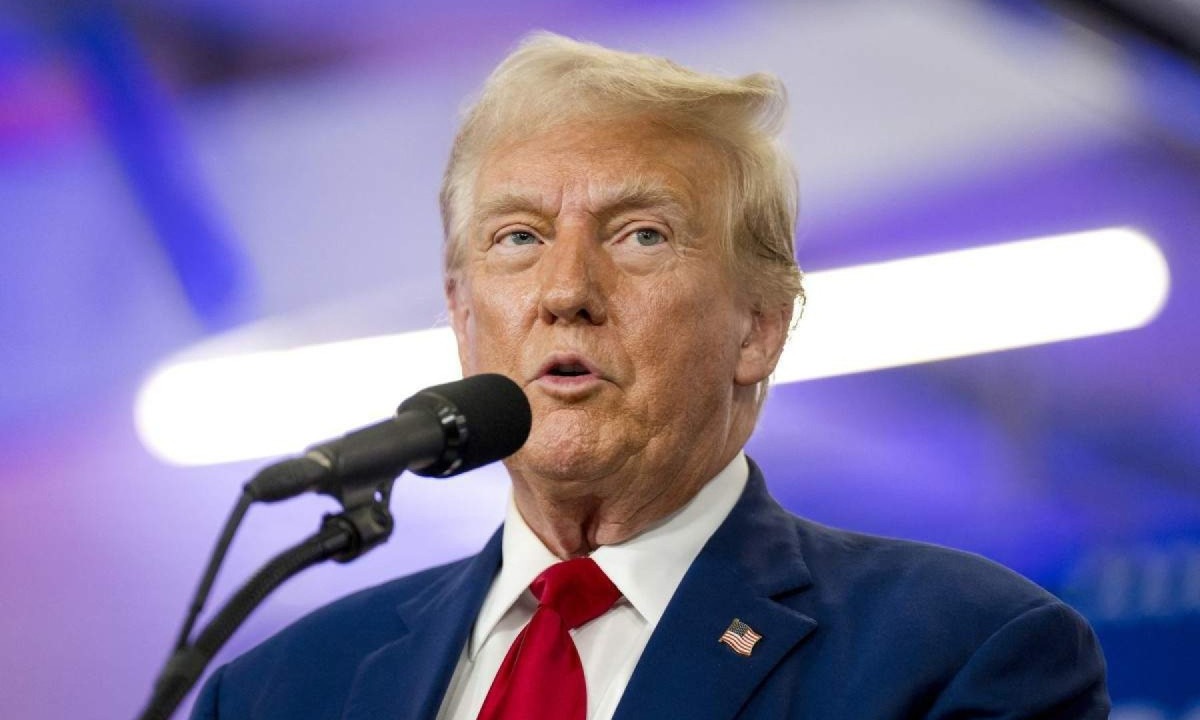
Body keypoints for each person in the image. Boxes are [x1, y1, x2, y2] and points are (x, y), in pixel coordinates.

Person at [191, 33, 1109, 719]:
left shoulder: (961, 652)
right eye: (519, 238)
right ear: (465, 318)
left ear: (759, 328)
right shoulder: (277, 692)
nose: (565, 291)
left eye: (641, 235)